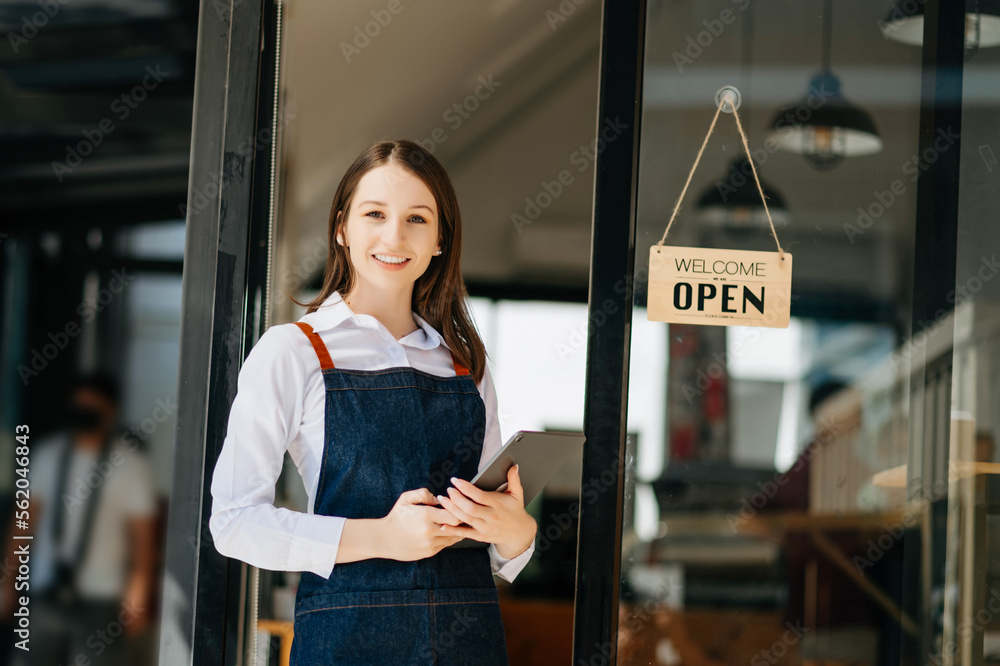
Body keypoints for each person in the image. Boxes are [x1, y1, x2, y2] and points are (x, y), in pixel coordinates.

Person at [209, 139, 538, 665]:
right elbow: (233, 523)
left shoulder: (465, 365)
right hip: (347, 641)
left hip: (468, 642)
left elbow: (493, 540)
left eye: (416, 219)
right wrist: (382, 536)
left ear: (439, 241)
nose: (394, 235)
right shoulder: (294, 351)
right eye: (375, 214)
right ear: (342, 228)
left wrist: (518, 534)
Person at [6, 372, 158, 666]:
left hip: (101, 599)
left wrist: (137, 597)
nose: (84, 416)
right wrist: (8, 579)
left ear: (110, 412)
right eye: (80, 408)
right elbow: (25, 520)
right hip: (44, 593)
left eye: (92, 409)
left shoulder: (130, 465)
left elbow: (143, 541)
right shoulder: (48, 455)